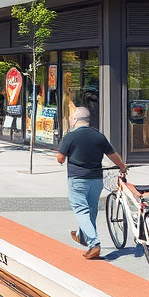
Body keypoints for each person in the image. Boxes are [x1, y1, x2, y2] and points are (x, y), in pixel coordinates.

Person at [55, 107, 126, 260]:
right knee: (91, 210)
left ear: (75, 119)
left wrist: (65, 155)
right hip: (96, 179)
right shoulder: (99, 136)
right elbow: (112, 155)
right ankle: (82, 236)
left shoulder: (70, 136)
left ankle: (94, 243)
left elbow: (60, 158)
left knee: (81, 210)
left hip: (77, 179)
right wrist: (122, 166)